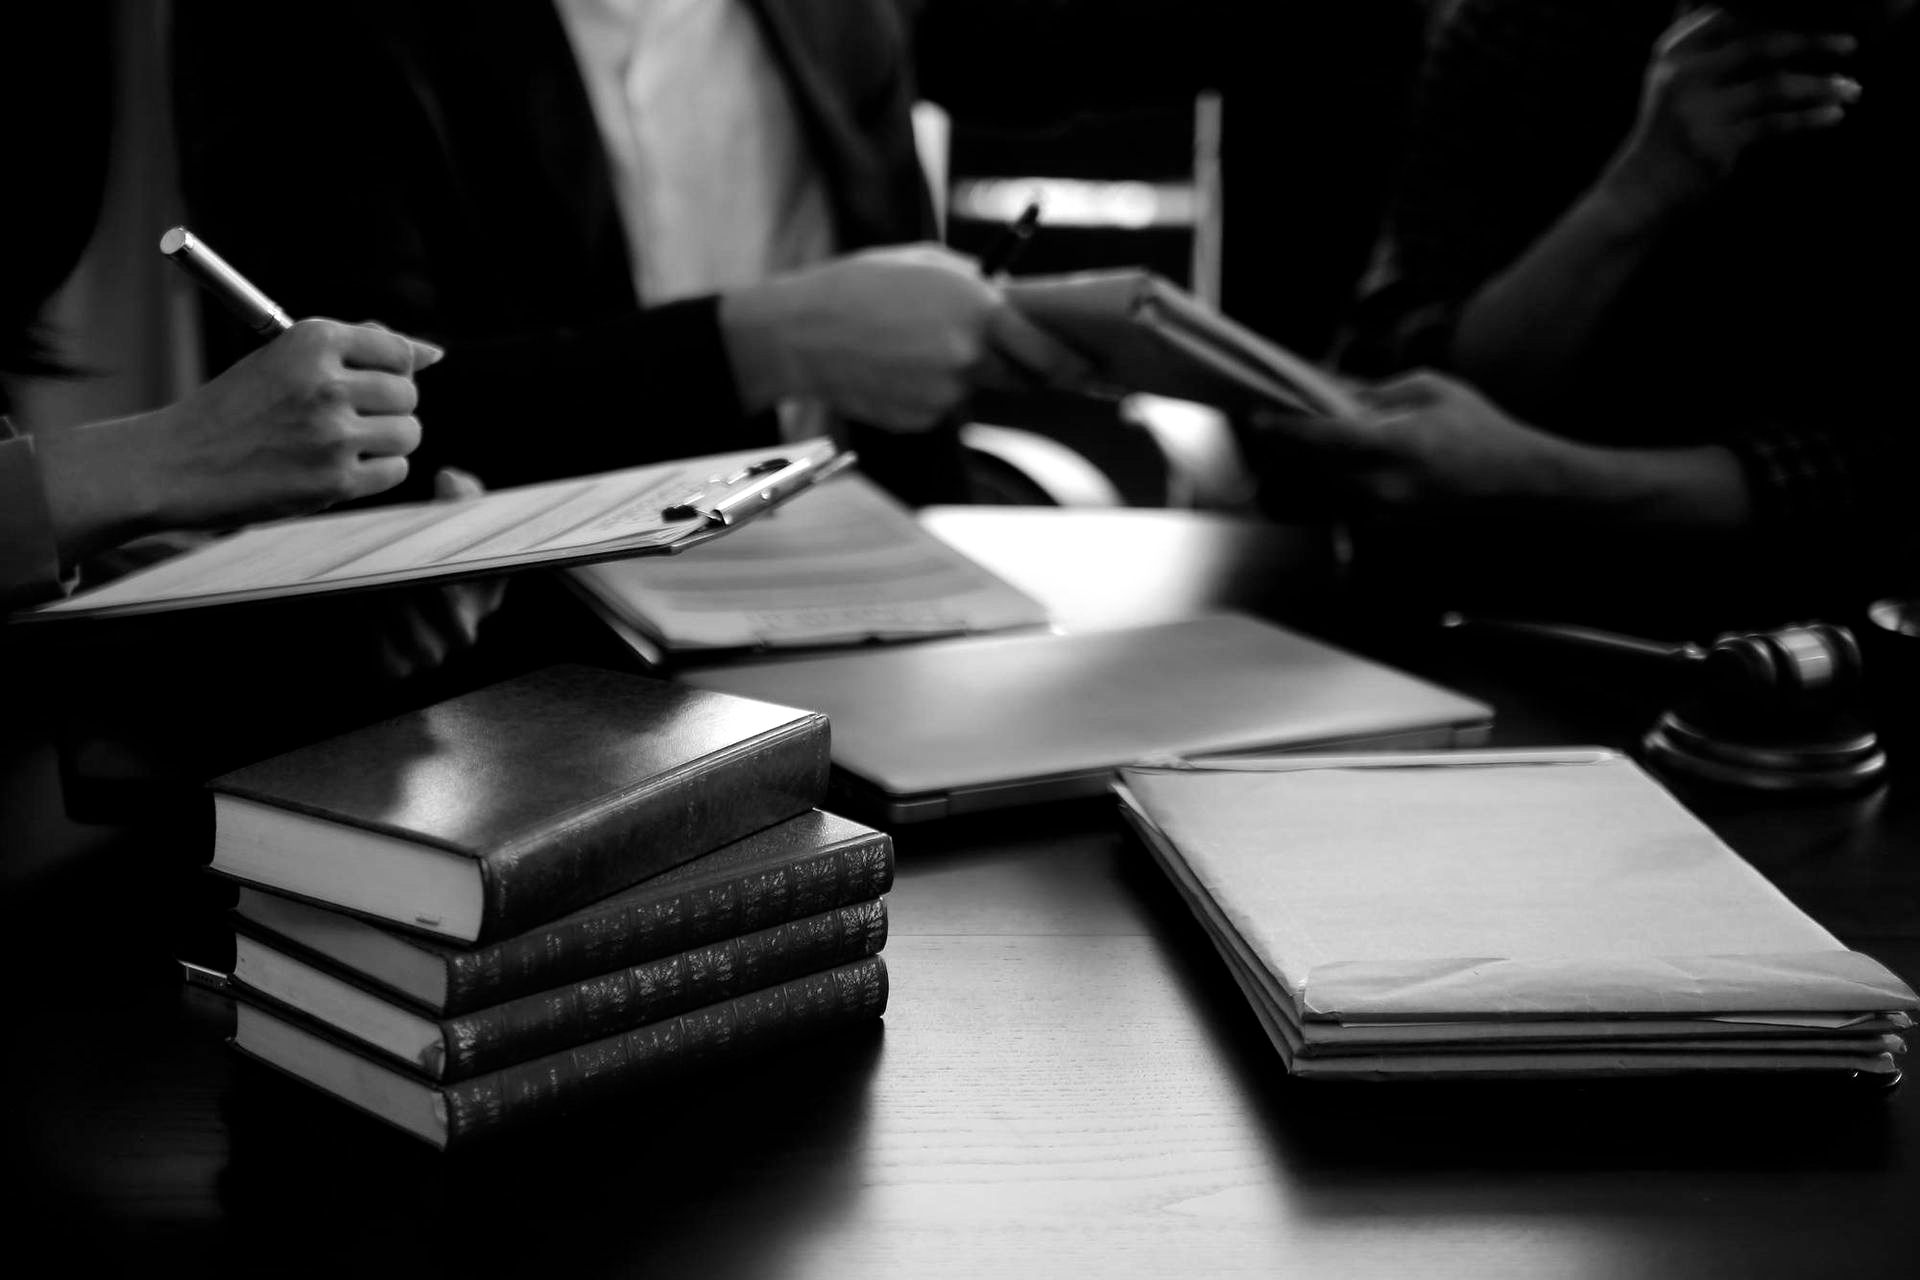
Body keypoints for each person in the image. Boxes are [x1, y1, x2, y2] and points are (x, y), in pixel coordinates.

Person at [172, 1, 1422, 504]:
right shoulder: (309, 26)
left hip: (879, 579)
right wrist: (770, 336)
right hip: (532, 647)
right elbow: (361, 422)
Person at [1255, 0, 1918, 625]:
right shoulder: (1529, 24)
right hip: (1487, 605)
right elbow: (1399, 383)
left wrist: (1548, 477)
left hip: (1836, 634)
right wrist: (1638, 191)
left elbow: (1883, 481)